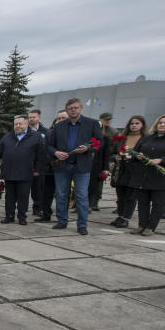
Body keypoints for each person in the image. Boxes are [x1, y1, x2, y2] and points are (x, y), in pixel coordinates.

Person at [46, 98, 102, 235]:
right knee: (61, 194)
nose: (73, 110)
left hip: (81, 166)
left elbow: (100, 142)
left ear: (81, 108)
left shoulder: (92, 124)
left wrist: (88, 148)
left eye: (76, 108)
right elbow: (49, 145)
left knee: (81, 195)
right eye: (70, 108)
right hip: (63, 165)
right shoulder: (59, 126)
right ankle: (61, 221)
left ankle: (82, 224)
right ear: (67, 110)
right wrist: (56, 152)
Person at [123, 114, 165, 236]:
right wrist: (138, 156)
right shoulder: (147, 138)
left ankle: (151, 227)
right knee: (143, 202)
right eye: (160, 122)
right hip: (143, 175)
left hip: (161, 177)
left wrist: (161, 160)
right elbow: (136, 152)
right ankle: (142, 225)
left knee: (158, 203)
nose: (162, 124)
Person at [0, 115, 44, 225]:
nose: (18, 126)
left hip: (26, 172)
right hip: (9, 172)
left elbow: (41, 155)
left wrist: (37, 170)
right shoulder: (7, 137)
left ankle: (22, 217)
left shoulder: (36, 136)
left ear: (27, 124)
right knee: (9, 196)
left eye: (21, 124)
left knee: (23, 196)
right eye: (16, 124)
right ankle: (9, 216)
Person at [109, 115, 146, 228]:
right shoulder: (122, 138)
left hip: (135, 169)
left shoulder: (145, 138)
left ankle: (126, 217)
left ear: (142, 125)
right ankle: (120, 215)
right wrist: (116, 157)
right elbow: (112, 152)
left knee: (131, 195)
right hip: (121, 168)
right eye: (132, 123)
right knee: (120, 194)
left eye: (137, 123)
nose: (134, 126)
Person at [89, 112, 117, 211]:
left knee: (95, 187)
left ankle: (92, 203)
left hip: (97, 165)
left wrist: (105, 168)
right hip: (86, 165)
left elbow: (107, 154)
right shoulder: (87, 138)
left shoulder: (106, 137)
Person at [27, 109, 52, 221]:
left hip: (40, 164)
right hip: (27, 163)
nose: (32, 119)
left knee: (38, 187)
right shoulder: (24, 130)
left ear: (39, 118)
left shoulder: (45, 132)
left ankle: (37, 207)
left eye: (34, 117)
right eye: (30, 117)